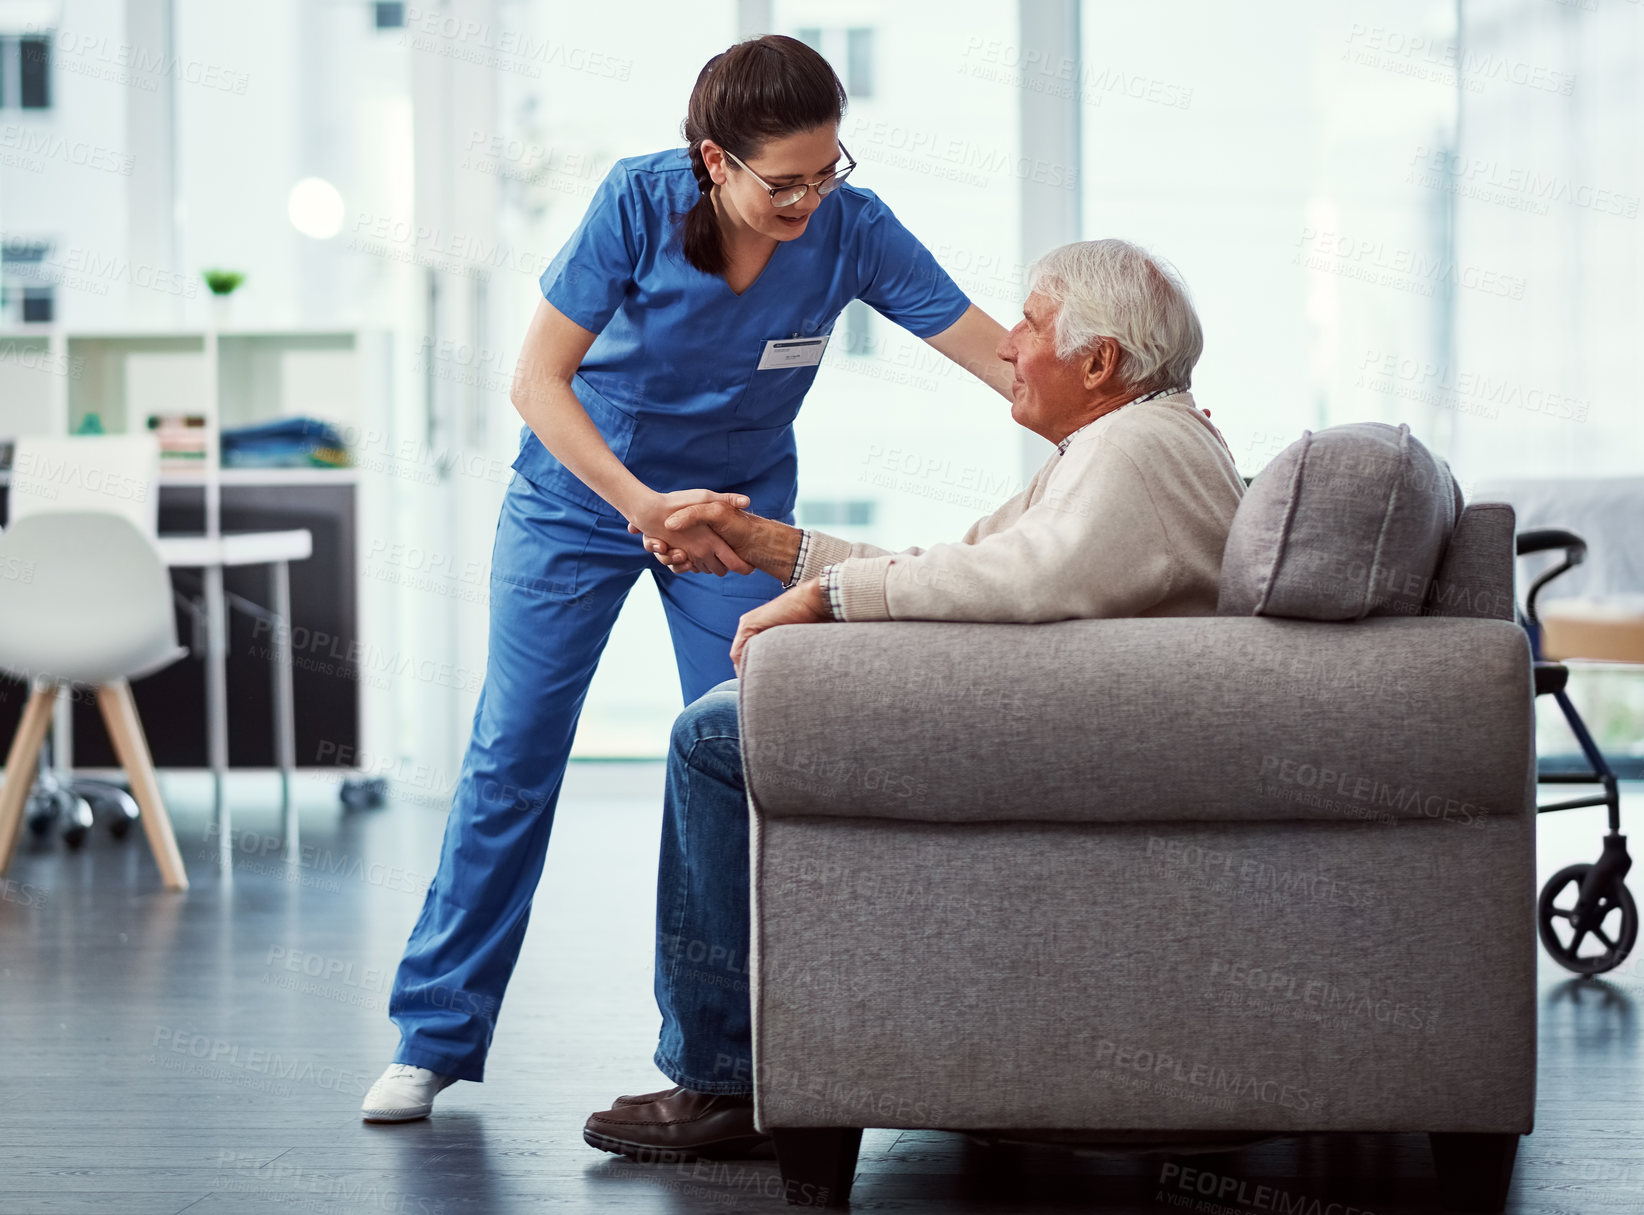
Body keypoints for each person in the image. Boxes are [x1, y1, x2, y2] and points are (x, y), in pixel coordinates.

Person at [361, 34, 1013, 1122]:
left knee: (749, 748)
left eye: (827, 170)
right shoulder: (636, 203)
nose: (810, 197)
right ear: (715, 161)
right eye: (783, 180)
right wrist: (638, 505)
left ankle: (743, 1058)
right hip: (583, 497)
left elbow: (996, 355)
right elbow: (537, 380)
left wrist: (1132, 408)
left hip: (738, 517)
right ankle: (434, 1033)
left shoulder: (853, 227)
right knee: (512, 755)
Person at [580, 238, 1246, 1159]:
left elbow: (1019, 580)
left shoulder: (1137, 450)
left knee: (712, 737)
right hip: (1067, 726)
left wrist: (830, 597)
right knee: (724, 724)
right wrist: (771, 545)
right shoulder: (1121, 440)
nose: (1007, 346)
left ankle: (723, 1076)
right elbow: (959, 562)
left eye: (1031, 322)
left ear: (1099, 362)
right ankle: (733, 1066)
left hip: (1063, 742)